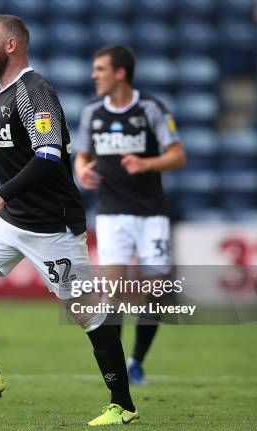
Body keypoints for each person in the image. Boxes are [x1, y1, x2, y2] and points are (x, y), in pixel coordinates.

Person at [0, 15, 138, 425]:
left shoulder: (35, 91)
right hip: (13, 220)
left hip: (52, 225)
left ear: (11, 45)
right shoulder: (0, 92)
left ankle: (123, 406)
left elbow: (49, 156)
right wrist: (6, 201)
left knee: (86, 312)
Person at [74, 45, 186, 384]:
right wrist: (82, 171)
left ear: (120, 73)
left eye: (100, 69)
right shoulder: (92, 112)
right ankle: (118, 369)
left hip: (151, 213)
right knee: (114, 289)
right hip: (111, 214)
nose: (94, 75)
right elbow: (81, 156)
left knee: (157, 290)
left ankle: (137, 359)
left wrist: (146, 163)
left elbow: (178, 156)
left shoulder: (150, 108)